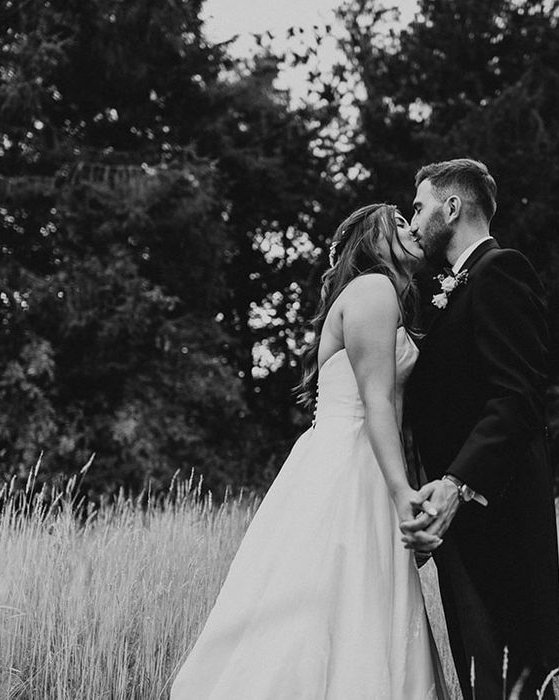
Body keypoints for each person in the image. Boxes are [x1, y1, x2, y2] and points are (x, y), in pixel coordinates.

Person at [171, 204, 450, 699]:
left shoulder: (385, 296)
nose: (411, 228)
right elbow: (378, 401)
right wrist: (402, 489)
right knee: (334, 607)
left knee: (344, 607)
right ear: (372, 240)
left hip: (361, 461)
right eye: (398, 223)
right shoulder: (372, 289)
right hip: (349, 464)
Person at [402, 158, 559, 700]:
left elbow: (517, 397)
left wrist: (455, 484)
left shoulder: (502, 270)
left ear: (453, 208)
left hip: (501, 522)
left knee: (510, 679)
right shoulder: (452, 289)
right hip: (465, 529)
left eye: (420, 207)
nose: (414, 219)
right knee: (484, 680)